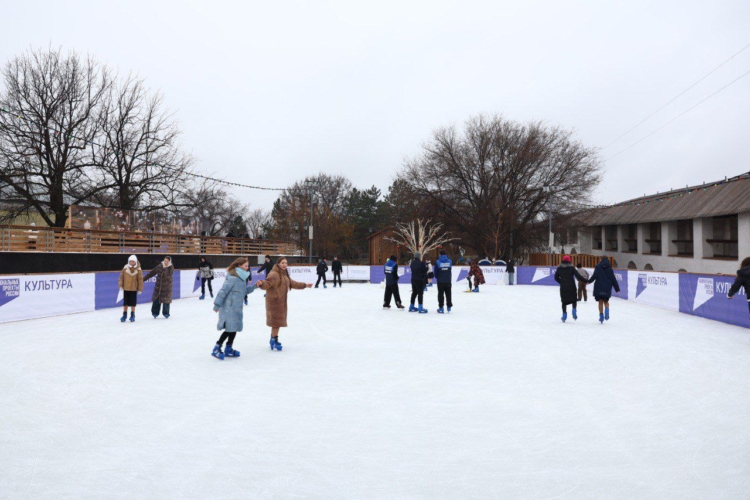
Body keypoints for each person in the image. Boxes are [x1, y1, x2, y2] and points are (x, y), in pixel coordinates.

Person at [257, 257, 312, 350]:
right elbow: (267, 283)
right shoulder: (274, 274)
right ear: (278, 264)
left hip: (280, 302)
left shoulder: (284, 274)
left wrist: (305, 285)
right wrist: (261, 283)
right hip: (274, 302)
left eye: (286, 263)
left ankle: (273, 339)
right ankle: (274, 340)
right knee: (276, 323)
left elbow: (292, 283)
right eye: (282, 263)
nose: (284, 265)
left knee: (277, 322)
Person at [211, 257, 258, 360]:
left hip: (237, 308)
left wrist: (254, 286)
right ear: (239, 266)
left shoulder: (241, 278)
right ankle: (217, 348)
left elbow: (243, 292)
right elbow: (223, 291)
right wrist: (217, 305)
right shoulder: (233, 278)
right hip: (229, 308)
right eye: (245, 266)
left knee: (234, 328)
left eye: (248, 266)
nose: (247, 268)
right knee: (229, 329)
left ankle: (229, 348)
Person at [587, 256, 620, 323]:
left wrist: (589, 281)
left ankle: (601, 316)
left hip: (599, 286)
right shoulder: (610, 268)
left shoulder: (598, 267)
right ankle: (607, 309)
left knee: (600, 301)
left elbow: (594, 276)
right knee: (606, 301)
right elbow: (613, 279)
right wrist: (617, 289)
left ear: (601, 259)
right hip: (607, 287)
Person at [554, 255, 587, 322]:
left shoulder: (559, 268)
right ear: (569, 260)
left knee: (564, 302)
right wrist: (586, 281)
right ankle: (574, 310)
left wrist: (561, 282)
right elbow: (578, 276)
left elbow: (556, 277)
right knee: (574, 300)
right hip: (571, 286)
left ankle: (564, 315)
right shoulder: (572, 268)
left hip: (563, 287)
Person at [118, 255, 143, 322]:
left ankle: (132, 315)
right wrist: (120, 285)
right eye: (130, 261)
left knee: (132, 303)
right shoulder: (125, 268)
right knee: (125, 302)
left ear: (135, 262)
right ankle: (124, 315)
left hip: (133, 289)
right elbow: (121, 277)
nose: (132, 263)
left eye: (133, 261)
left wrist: (140, 289)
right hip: (126, 288)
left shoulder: (138, 269)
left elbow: (140, 279)